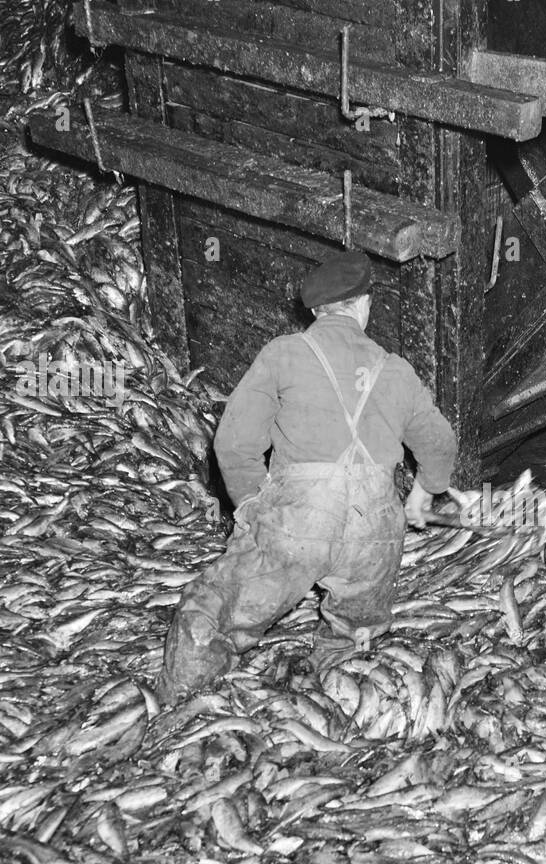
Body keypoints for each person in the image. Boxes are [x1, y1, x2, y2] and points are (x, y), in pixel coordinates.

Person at [156, 251, 457, 704]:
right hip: (375, 535)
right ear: (364, 306)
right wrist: (421, 494)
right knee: (352, 638)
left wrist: (253, 506)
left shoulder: (284, 354)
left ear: (316, 311)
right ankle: (337, 713)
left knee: (210, 616)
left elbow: (233, 442)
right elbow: (440, 445)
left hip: (299, 526)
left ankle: (175, 717)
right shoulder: (396, 370)